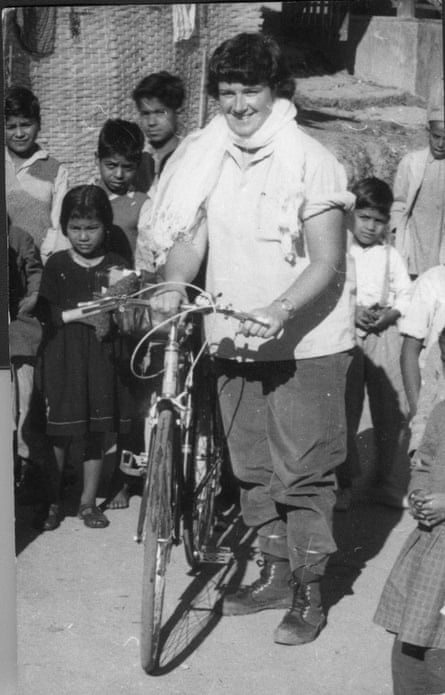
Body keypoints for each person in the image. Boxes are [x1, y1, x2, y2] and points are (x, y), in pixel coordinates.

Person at [139, 32, 355, 646]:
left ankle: (310, 592)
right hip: (232, 334)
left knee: (304, 471)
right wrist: (176, 284)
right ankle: (276, 575)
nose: (237, 106)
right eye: (227, 92)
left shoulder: (313, 159)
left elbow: (327, 261)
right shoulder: (209, 154)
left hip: (304, 342)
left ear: (276, 91)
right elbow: (191, 235)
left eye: (249, 91)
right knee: (251, 467)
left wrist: (280, 307)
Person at [34, 185, 136, 531]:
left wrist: (117, 316)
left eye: (91, 228)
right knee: (60, 433)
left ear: (105, 227)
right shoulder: (58, 265)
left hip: (103, 358)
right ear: (64, 227)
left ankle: (88, 503)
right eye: (75, 228)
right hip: (65, 357)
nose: (83, 236)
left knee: (96, 433)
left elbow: (125, 314)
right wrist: (87, 314)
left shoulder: (118, 267)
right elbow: (50, 316)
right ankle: (50, 502)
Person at [335, 178, 412, 511]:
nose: (370, 227)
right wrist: (352, 312)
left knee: (390, 410)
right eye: (364, 217)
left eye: (379, 221)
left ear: (387, 224)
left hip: (384, 335)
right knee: (344, 410)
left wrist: (391, 314)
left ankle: (384, 481)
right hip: (346, 335)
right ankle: (344, 484)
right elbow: (331, 294)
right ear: (352, 214)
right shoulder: (339, 251)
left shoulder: (390, 256)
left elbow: (407, 295)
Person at [373, 352, 445, 694]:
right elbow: (426, 461)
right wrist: (418, 491)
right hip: (433, 552)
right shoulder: (442, 414)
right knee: (412, 641)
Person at [4, 85, 69, 263]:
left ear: (38, 124)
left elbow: (59, 227)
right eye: (10, 127)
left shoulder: (55, 170)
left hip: (39, 266)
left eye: (26, 125)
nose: (19, 133)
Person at [391, 80, 445, 279]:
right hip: (414, 241)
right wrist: (397, 231)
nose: (440, 144)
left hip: (440, 242)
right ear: (428, 133)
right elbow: (399, 202)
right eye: (436, 136)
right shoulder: (411, 162)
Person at [8, 219, 45, 502]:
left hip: (19, 334)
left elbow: (34, 271)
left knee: (25, 405)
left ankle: (26, 463)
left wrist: (33, 295)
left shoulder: (19, 237)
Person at [92, 118, 152, 267]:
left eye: (128, 167)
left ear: (137, 166)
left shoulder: (142, 205)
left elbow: (145, 257)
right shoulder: (83, 197)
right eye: (111, 165)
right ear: (97, 159)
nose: (119, 174)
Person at [131, 71, 185, 193]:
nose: (151, 122)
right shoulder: (135, 160)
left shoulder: (190, 157)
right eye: (145, 113)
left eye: (160, 113)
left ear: (178, 112)